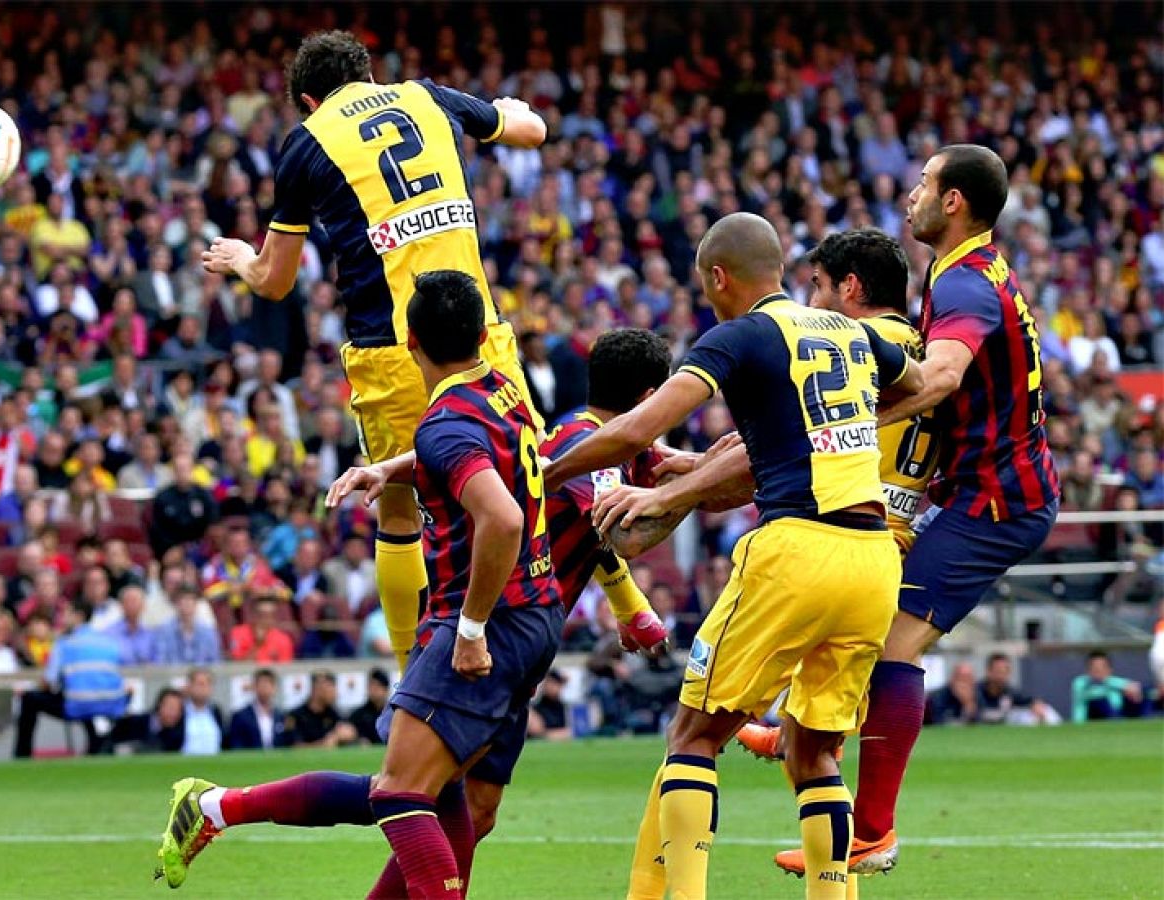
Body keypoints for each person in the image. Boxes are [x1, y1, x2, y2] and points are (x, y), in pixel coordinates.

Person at [544, 212, 923, 899]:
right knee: (812, 749)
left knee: (692, 734)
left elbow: (637, 427)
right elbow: (918, 385)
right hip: (873, 562)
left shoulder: (740, 335)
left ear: (718, 277)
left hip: (796, 549)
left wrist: (543, 476)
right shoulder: (852, 332)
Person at [155, 270, 563, 898]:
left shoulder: (442, 424)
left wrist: (473, 628)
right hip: (538, 612)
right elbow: (487, 456)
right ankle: (216, 808)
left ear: (409, 341)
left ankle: (214, 806)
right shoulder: (506, 387)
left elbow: (502, 517)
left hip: (486, 621)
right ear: (483, 335)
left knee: (399, 794)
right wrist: (394, 468)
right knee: (439, 791)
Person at [201, 30, 548, 671]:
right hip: (481, 337)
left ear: (308, 98)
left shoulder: (307, 142)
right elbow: (531, 132)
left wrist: (240, 261)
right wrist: (510, 109)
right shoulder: (426, 97)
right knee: (524, 480)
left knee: (397, 504)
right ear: (368, 73)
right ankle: (564, 618)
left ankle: (405, 665)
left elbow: (275, 282)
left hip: (394, 349)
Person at [788, 145, 1059, 875]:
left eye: (923, 184)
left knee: (893, 646)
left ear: (954, 203)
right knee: (867, 608)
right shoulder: (970, 272)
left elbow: (941, 378)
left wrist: (847, 417)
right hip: (984, 490)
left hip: (996, 502)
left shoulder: (966, 287)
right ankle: (812, 733)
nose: (910, 194)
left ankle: (873, 833)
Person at [14, 601, 128, 758]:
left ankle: (22, 755)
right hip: (111, 704)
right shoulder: (109, 642)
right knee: (88, 701)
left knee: (29, 699)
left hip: (79, 704)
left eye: (67, 614)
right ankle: (96, 747)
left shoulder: (65, 643)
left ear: (79, 617)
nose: (63, 619)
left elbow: (49, 681)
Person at [286, 671, 359, 748]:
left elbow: (346, 730)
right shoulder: (296, 716)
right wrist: (325, 743)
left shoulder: (332, 713)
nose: (336, 693)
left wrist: (349, 733)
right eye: (330, 687)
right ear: (317, 689)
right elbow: (294, 747)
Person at [224, 668, 291, 751]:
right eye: (261, 685)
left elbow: (286, 743)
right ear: (254, 687)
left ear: (274, 688)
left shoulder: (281, 715)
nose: (265, 689)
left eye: (268, 685)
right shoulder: (240, 716)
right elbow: (236, 744)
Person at [1071, 651, 1145, 722]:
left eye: (1102, 668)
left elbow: (1134, 688)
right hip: (1089, 720)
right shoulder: (1081, 683)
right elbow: (1088, 696)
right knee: (1100, 703)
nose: (1099, 671)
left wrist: (1109, 681)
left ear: (1110, 669)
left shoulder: (1114, 683)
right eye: (1095, 668)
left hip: (1116, 717)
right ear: (1088, 670)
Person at [179, 667, 225, 757]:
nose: (204, 688)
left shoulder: (216, 711)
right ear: (190, 686)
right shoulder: (181, 711)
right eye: (200, 684)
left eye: (208, 684)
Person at [347, 669, 392, 745]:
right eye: (370, 685)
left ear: (386, 689)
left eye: (377, 686)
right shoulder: (358, 715)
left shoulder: (393, 714)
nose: (373, 689)